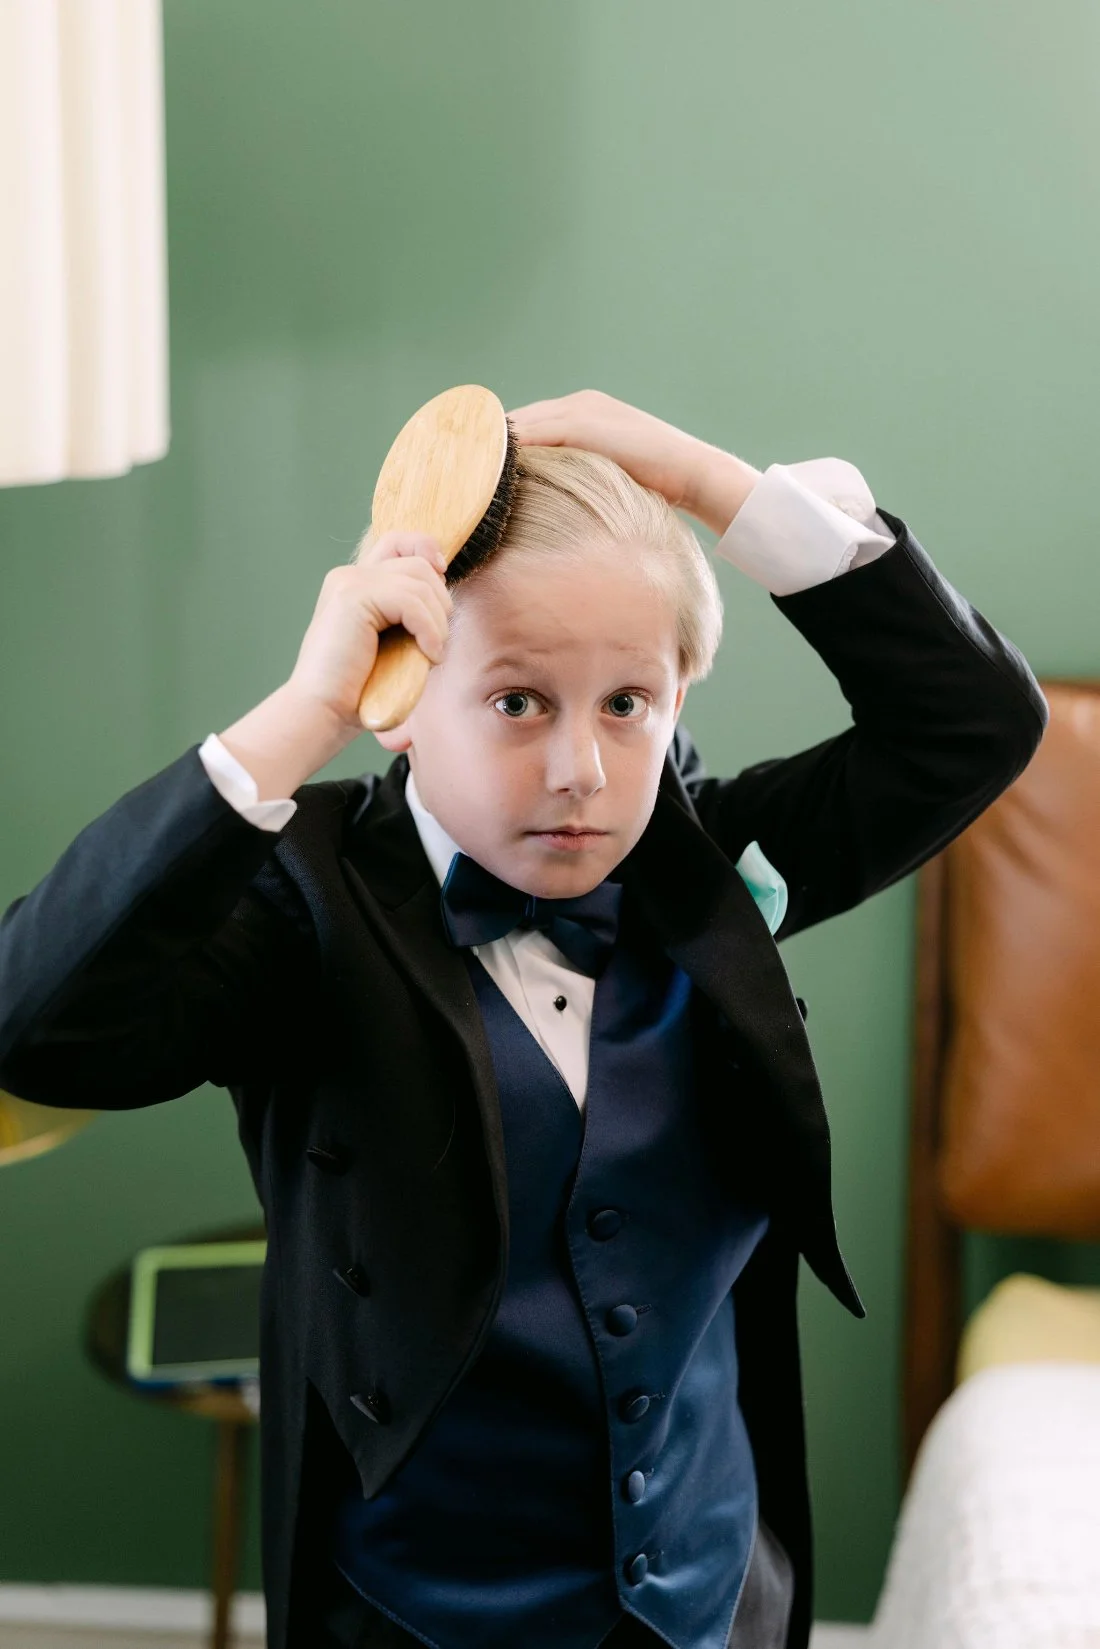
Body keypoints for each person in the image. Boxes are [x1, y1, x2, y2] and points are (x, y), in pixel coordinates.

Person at [0, 389, 1047, 1649]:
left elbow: (973, 722)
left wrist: (709, 485)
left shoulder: (700, 858)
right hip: (412, 1611)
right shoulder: (300, 901)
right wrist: (294, 717)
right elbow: (31, 1021)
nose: (580, 773)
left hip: (710, 1597)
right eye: (515, 702)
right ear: (394, 697)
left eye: (627, 702)